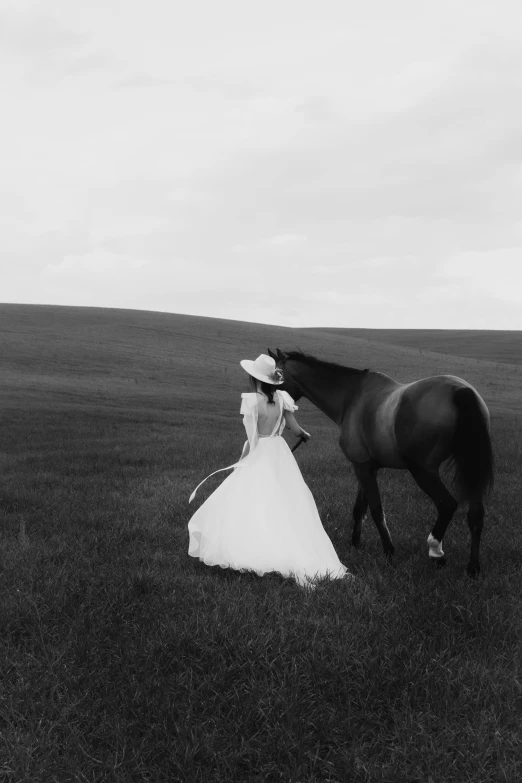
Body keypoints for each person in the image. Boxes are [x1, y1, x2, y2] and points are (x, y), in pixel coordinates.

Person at [187, 354, 350, 588]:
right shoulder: (283, 398)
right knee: (284, 498)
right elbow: (293, 426)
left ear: (255, 379)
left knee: (252, 496)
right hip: (278, 450)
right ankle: (288, 543)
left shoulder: (252, 401)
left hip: (261, 449)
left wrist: (245, 458)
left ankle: (253, 547)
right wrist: (303, 433)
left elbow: (252, 436)